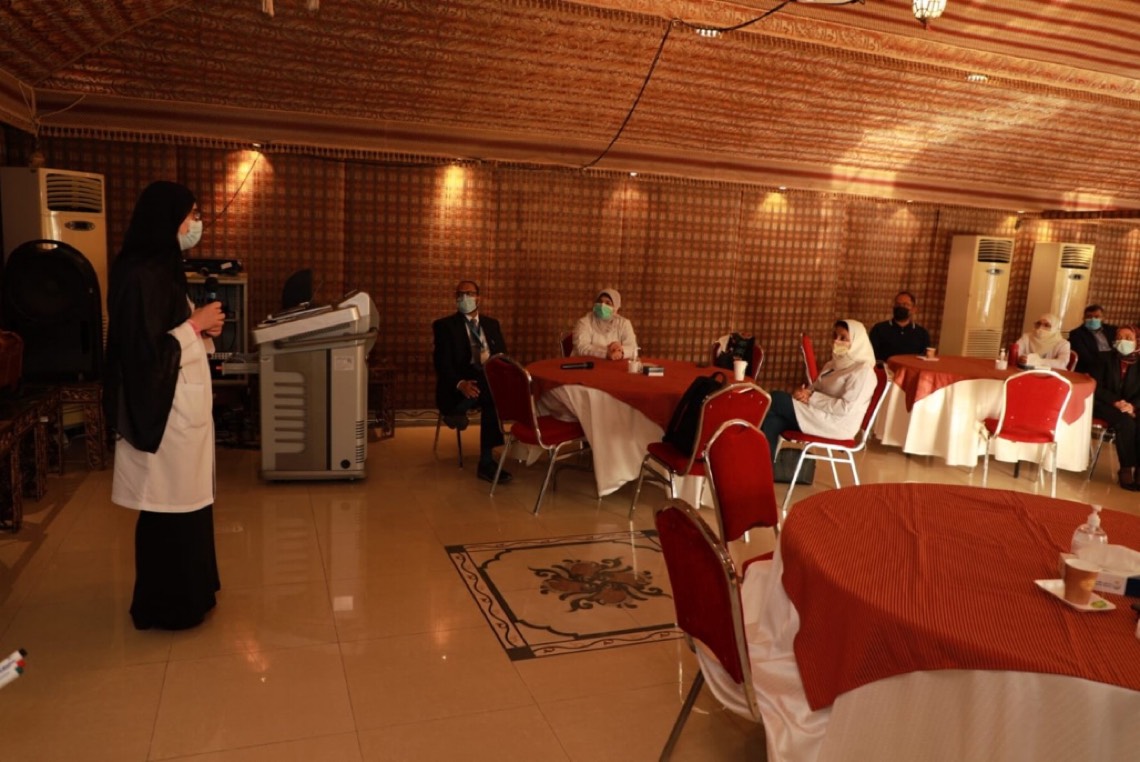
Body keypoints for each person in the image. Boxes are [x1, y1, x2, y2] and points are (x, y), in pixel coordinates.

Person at [103, 181, 224, 631]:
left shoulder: (165, 270)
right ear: (165, 218)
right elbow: (142, 354)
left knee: (190, 507)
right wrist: (194, 326)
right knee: (169, 509)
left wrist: (200, 329)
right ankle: (168, 606)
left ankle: (197, 593)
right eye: (191, 215)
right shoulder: (139, 275)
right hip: (163, 412)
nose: (196, 224)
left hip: (182, 407)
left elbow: (170, 332)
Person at [761, 319, 877, 458]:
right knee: (773, 421)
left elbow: (846, 408)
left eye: (843, 338)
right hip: (819, 413)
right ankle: (764, 469)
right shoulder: (833, 364)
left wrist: (811, 398)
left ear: (857, 342)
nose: (836, 341)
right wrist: (804, 393)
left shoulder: (863, 372)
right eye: (835, 336)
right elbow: (815, 388)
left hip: (838, 424)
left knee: (776, 399)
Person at [432, 280, 510, 483]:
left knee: (494, 391)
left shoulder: (491, 325)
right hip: (459, 386)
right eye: (460, 294)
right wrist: (460, 384)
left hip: (486, 382)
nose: (464, 297)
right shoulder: (444, 326)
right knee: (492, 396)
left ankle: (489, 459)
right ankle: (487, 462)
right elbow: (442, 364)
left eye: (469, 293)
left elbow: (501, 356)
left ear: (478, 298)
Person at [1090, 326, 1140, 491]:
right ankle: (1126, 468)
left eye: (1128, 338)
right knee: (1126, 423)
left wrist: (1132, 406)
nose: (1123, 341)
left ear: (1137, 341)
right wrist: (1116, 402)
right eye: (1119, 337)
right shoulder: (1104, 358)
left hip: (1132, 405)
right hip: (1105, 404)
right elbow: (1096, 386)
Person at [573, 288, 637, 361]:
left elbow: (633, 348)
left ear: (616, 307)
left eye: (608, 303)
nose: (602, 305)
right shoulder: (584, 322)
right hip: (588, 364)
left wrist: (620, 350)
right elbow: (581, 348)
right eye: (600, 302)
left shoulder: (624, 323)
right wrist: (606, 353)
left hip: (615, 365)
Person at [868, 291, 931, 363]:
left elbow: (925, 358)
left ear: (914, 309)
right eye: (898, 304)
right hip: (885, 368)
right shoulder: (879, 329)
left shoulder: (922, 333)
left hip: (911, 369)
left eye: (905, 304)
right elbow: (871, 355)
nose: (901, 307)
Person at [1068, 304, 1117, 374]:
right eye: (1089, 317)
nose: (1093, 319)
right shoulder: (1076, 334)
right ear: (1084, 318)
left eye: (1096, 317)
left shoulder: (1112, 330)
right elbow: (1085, 357)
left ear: (1103, 318)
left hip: (1112, 365)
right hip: (1092, 367)